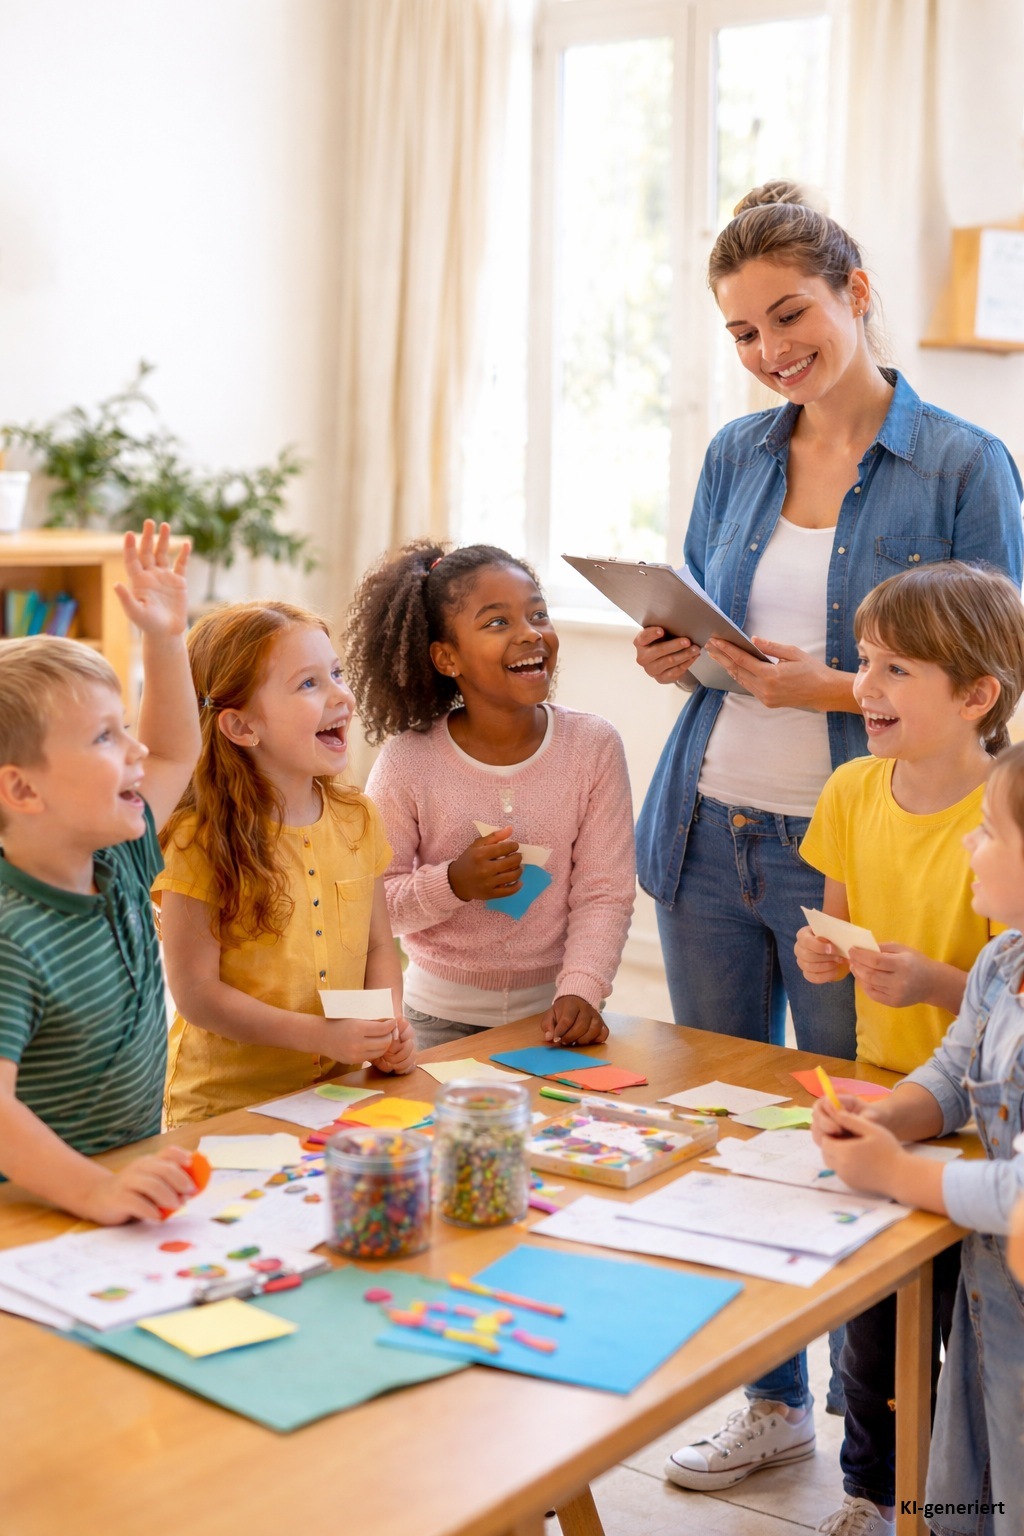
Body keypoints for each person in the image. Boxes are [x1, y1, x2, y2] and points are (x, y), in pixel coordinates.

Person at [649, 181, 1022, 1483]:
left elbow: (995, 663)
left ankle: (885, 1449)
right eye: (743, 331)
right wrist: (678, 650)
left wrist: (822, 688)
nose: (769, 350)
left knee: (853, 1129)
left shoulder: (964, 464)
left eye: (789, 315)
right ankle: (770, 1401)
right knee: (727, 1124)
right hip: (710, 824)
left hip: (859, 836)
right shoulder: (735, 454)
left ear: (856, 294)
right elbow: (714, 626)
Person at [792, 562, 1024, 1536]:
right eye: (863, 661)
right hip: (918, 1112)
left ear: (976, 697)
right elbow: (957, 1067)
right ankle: (884, 1494)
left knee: (990, 1393)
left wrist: (931, 985)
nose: (864, 686)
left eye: (897, 668)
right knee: (900, 1350)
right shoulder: (854, 791)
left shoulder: (1002, 815)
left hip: (979, 1174)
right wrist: (892, 1118)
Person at [345, 541, 635, 1050]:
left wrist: (582, 990)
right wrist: (453, 883)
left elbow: (604, 891)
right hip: (433, 1021)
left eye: (538, 614)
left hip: (555, 1019)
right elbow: (373, 906)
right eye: (498, 622)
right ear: (446, 657)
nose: (531, 633)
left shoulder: (593, 746)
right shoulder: (408, 761)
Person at [0, 522, 203, 1222]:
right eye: (104, 737)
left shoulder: (117, 856)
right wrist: (93, 1190)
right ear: (22, 789)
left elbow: (174, 752)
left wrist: (165, 638)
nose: (136, 749)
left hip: (125, 1182)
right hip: (37, 1211)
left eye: (125, 726)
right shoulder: (11, 938)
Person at [156, 600, 414, 1127]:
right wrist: (321, 1035)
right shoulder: (197, 839)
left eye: (336, 674)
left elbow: (377, 945)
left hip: (340, 1096)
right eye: (308, 684)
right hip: (224, 1109)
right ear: (241, 726)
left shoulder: (359, 817)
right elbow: (197, 995)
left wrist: (387, 1025)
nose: (341, 695)